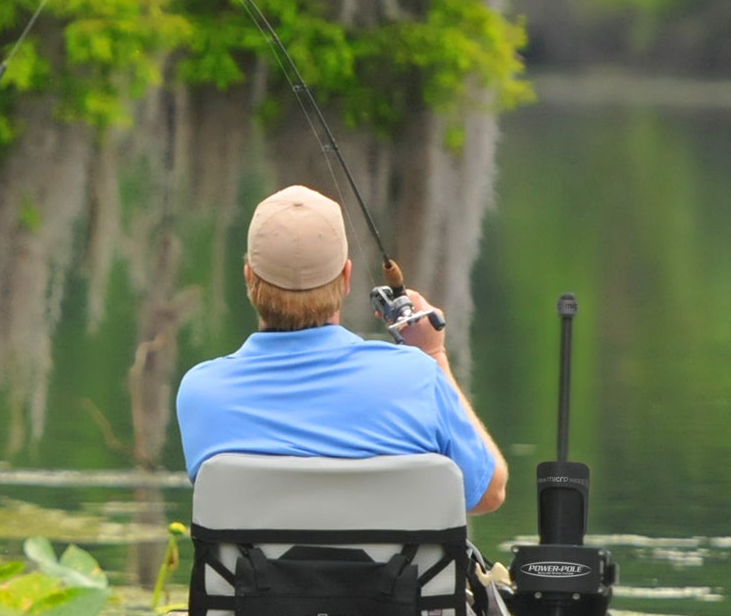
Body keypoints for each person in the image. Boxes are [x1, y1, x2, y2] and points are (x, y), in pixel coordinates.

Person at [176, 184, 508, 514]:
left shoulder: (202, 392)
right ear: (347, 277)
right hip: (388, 570)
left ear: (249, 277)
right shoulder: (417, 378)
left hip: (253, 570)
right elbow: (489, 492)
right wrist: (435, 357)